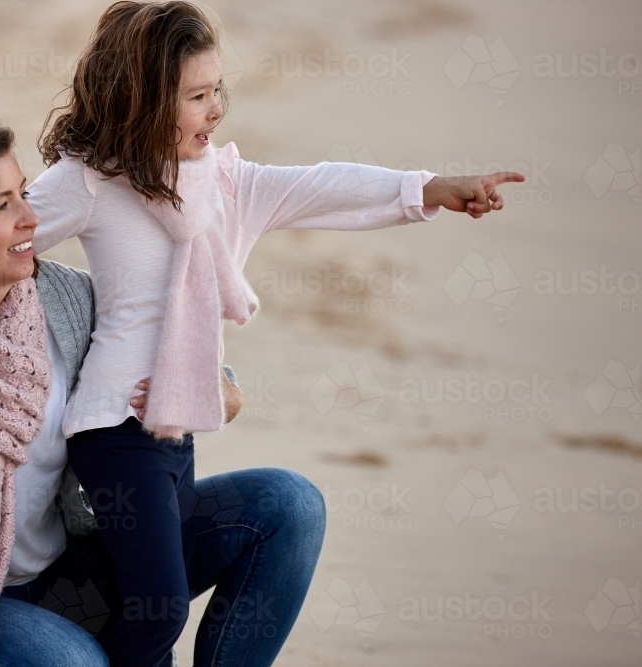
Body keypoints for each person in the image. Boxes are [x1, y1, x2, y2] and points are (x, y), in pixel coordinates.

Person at [27, 2, 526, 666]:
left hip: (177, 426)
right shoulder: (90, 180)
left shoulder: (227, 184)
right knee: (161, 606)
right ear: (143, 99)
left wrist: (432, 189)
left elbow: (323, 185)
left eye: (218, 91)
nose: (216, 109)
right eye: (198, 96)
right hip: (115, 430)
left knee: (148, 596)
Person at [0, 119, 318, 667]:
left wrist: (218, 391)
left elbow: (185, 352)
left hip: (73, 577)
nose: (31, 216)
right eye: (1, 205)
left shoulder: (65, 302)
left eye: (24, 193)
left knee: (289, 504)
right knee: (74, 662)